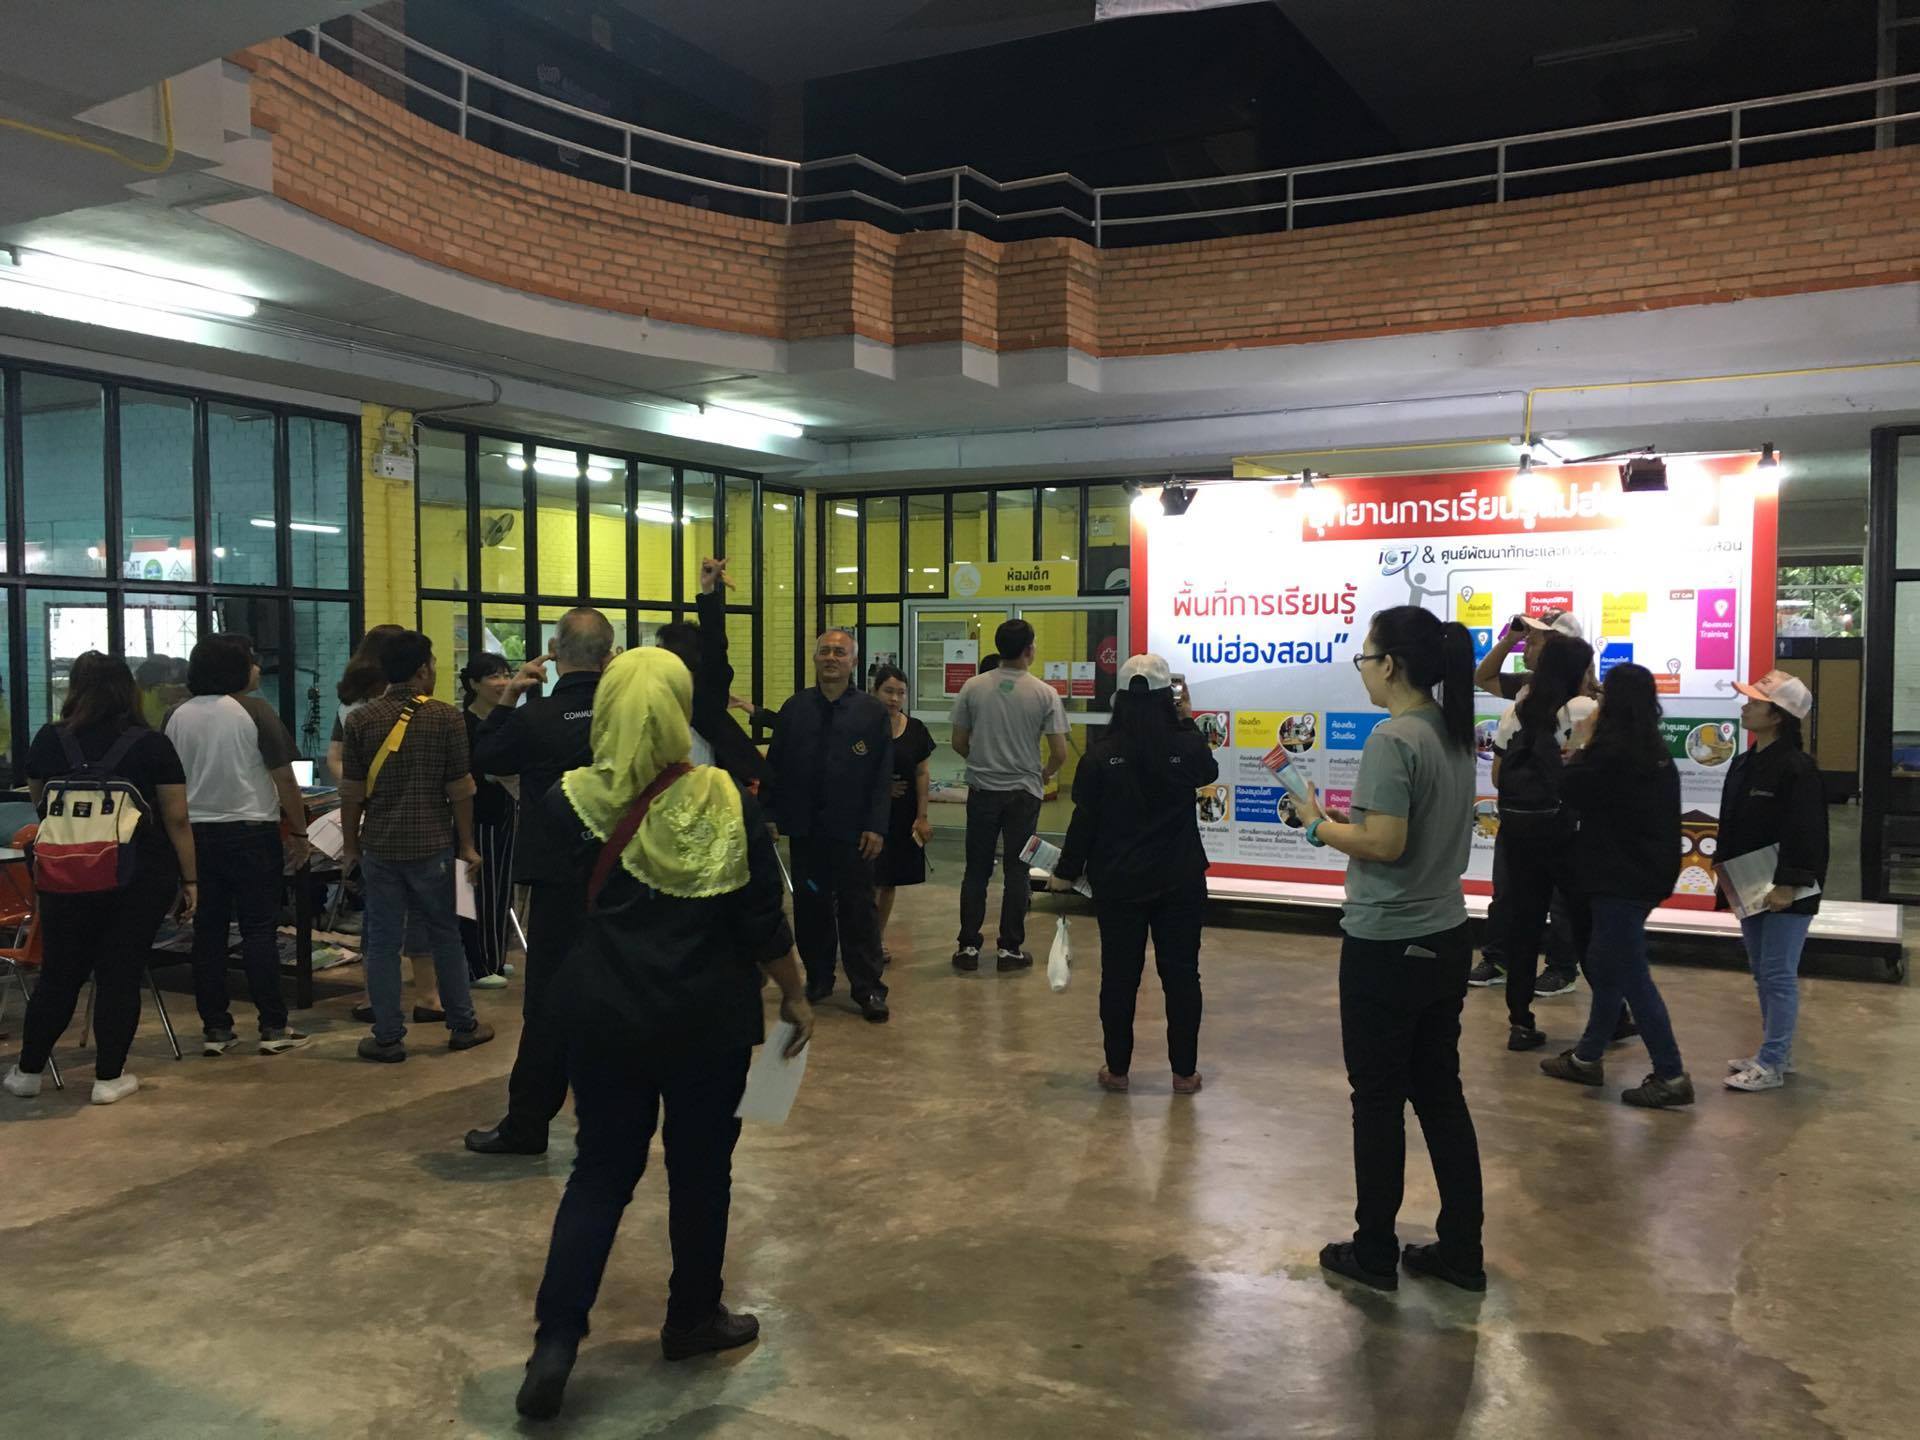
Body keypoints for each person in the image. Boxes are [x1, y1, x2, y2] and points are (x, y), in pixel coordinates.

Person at [514, 648, 814, 1421]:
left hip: (604, 1016)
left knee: (599, 1174)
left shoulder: (568, 801)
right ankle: (691, 1319)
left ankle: (555, 1343)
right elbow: (760, 920)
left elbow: (550, 902)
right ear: (680, 712)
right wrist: (795, 995)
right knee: (701, 1171)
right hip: (707, 1021)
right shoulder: (724, 799)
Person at [1296, 606, 1485, 1294]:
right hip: (1445, 934)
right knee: (1440, 1096)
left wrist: (1317, 826)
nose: (1363, 671)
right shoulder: (1451, 731)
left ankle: (1374, 1250)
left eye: (1365, 658)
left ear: (1391, 665)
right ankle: (1462, 1251)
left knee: (1377, 1101)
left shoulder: (1394, 738)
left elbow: (1384, 843)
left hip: (1388, 943)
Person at [4, 653, 197, 1106]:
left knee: (59, 974)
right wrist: (191, 880)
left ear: (75, 688)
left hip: (64, 874)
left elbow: (42, 807)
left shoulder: (50, 739)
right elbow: (177, 818)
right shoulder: (151, 744)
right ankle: (109, 1078)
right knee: (119, 974)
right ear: (129, 690)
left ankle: (28, 1072)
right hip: (138, 875)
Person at [464, 607, 613, 1154]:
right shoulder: (627, 716)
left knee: (549, 1004)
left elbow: (485, 756)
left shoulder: (536, 718)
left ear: (554, 652)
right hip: (625, 872)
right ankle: (611, 1122)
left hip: (557, 878)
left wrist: (508, 699)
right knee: (620, 996)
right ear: (609, 655)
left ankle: (528, 1123)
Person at [1049, 653, 1216, 1094]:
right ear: (1168, 698)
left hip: (1119, 881)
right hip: (1180, 878)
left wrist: (1066, 871)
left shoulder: (1101, 754)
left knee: (1120, 977)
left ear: (1118, 699)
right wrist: (1186, 718)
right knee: (1182, 975)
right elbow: (1208, 769)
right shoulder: (1184, 746)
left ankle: (1118, 1069)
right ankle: (1184, 1073)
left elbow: (1085, 820)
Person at [1539, 663, 1693, 1107]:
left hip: (1620, 879)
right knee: (1606, 965)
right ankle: (1587, 1057)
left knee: (1630, 974)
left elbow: (1569, 788)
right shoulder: (1650, 750)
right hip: (1642, 875)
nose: (1597, 702)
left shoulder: (1613, 755)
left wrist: (1580, 742)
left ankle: (1671, 1074)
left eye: (1605, 696)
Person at [339, 630, 493, 1062]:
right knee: (446, 935)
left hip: (380, 847)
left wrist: (351, 846)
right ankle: (462, 1025)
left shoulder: (361, 720)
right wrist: (467, 845)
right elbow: (460, 789)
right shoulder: (447, 718)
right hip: (434, 846)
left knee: (383, 942)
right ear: (423, 669)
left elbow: (351, 794)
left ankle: (387, 1037)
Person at [165, 633, 313, 1057]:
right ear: (234, 669)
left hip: (195, 836)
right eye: (251, 661)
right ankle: (273, 1026)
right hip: (251, 832)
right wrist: (299, 832)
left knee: (208, 932)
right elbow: (284, 778)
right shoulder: (254, 710)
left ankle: (216, 1029)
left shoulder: (176, 715)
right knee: (258, 929)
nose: (257, 669)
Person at [766, 629, 893, 1022]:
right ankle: (819, 978)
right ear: (815, 658)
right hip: (807, 832)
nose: (831, 658)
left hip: (855, 833)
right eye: (825, 651)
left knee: (859, 911)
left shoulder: (872, 713)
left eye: (840, 652)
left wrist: (876, 825)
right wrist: (769, 814)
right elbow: (776, 767)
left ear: (853, 661)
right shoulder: (795, 709)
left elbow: (881, 775)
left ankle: (868, 987)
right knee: (811, 907)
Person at [1719, 670, 1828, 1093]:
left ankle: (1773, 1062)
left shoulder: (1797, 768)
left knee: (1778, 975)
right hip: (1749, 883)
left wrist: (1789, 885)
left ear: (1779, 716)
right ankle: (1775, 1051)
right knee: (1763, 973)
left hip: (1785, 890)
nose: (1745, 706)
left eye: (1755, 702)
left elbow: (1808, 833)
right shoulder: (1745, 762)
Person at [1469, 608, 1588, 992]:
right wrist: (1509, 638)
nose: (1527, 645)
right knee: (1508, 891)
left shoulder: (1585, 701)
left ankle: (1562, 967)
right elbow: (1482, 677)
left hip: (1563, 816)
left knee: (1561, 897)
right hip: (1520, 811)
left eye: (1535, 639)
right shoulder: (1525, 691)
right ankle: (1499, 958)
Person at [329, 623, 441, 1021]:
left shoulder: (350, 705)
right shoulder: (421, 708)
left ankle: (373, 998)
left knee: (378, 917)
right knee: (425, 911)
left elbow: (336, 759)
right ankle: (429, 996)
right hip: (421, 821)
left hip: (371, 820)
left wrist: (360, 793)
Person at [949, 619, 1070, 973]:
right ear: (1029, 649)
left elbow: (958, 741)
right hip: (1023, 794)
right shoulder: (1044, 693)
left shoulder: (973, 687)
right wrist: (1043, 773)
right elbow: (1060, 752)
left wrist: (982, 762)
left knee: (976, 870)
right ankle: (1009, 949)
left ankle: (968, 947)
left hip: (982, 791)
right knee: (1017, 871)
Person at [1494, 632, 1595, 1050]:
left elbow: (1498, 776)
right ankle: (1613, 1016)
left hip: (1519, 832)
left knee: (1524, 928)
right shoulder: (1583, 710)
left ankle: (1520, 1022)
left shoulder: (1517, 710)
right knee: (1586, 926)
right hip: (1567, 835)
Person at [656, 556, 771, 798]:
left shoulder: (704, 696)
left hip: (713, 796)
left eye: (662, 652)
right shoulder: (657, 701)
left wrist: (707, 591)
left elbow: (715, 645)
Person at [457, 652, 517, 991]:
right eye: (493, 676)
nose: (502, 682)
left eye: (506, 674)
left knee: (501, 888)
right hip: (475, 815)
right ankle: (477, 964)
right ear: (474, 684)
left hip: (506, 810)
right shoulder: (463, 724)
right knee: (477, 891)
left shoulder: (505, 720)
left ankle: (494, 956)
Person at [870, 665, 936, 950]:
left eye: (901, 693)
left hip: (902, 814)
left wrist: (922, 816)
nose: (894, 698)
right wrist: (881, 788)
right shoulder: (863, 727)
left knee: (889, 880)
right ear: (875, 691)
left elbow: (922, 773)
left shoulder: (916, 729)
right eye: (888, 691)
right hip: (869, 815)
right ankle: (861, 938)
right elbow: (848, 770)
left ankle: (877, 938)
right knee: (868, 880)